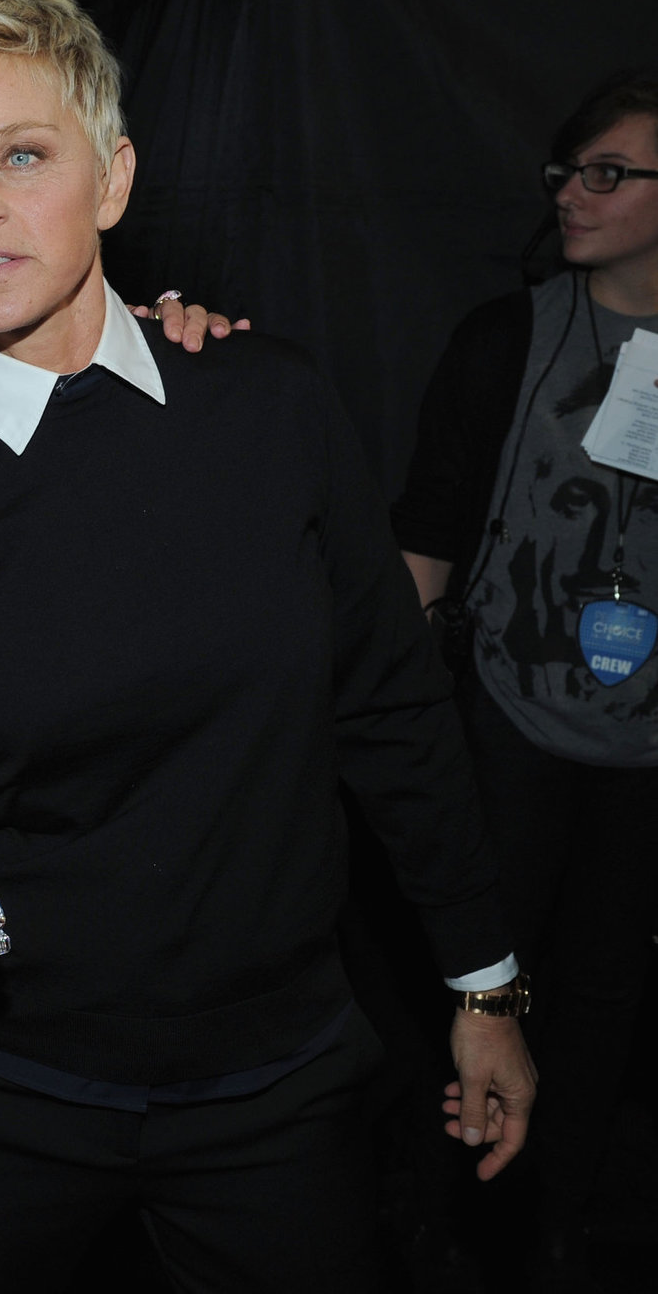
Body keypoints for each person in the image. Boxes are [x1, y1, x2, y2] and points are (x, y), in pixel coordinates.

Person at [0, 0, 537, 1292]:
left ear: (112, 181)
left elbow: (391, 715)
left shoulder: (268, 410)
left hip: (279, 1092)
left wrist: (483, 987)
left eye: (23, 156)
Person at [394, 71, 658, 1288]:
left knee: (604, 990)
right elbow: (427, 529)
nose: (570, 192)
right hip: (503, 718)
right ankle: (459, 1213)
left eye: (608, 174)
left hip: (644, 751)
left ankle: (554, 1211)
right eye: (565, 170)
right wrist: (407, 709)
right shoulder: (504, 336)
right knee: (481, 976)